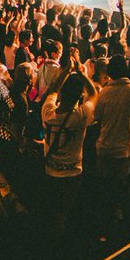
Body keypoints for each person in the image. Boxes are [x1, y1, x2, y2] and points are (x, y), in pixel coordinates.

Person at [40, 70, 98, 242]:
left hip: (50, 170)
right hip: (72, 173)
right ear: (79, 97)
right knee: (66, 210)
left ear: (62, 94)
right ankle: (62, 241)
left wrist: (66, 70)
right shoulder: (80, 116)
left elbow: (52, 89)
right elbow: (94, 94)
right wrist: (81, 72)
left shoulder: (47, 112)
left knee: (51, 209)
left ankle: (49, 239)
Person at [94, 56, 130, 221]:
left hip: (104, 144)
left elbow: (97, 116)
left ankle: (102, 212)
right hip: (124, 145)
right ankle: (117, 210)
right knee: (120, 181)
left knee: (104, 181)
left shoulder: (104, 92)